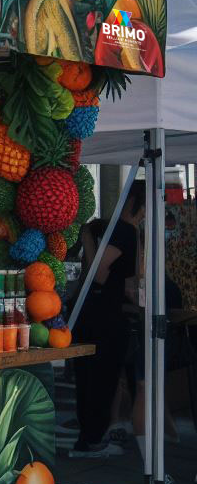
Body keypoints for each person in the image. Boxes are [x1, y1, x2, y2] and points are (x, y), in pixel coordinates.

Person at [70, 180, 144, 458]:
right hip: (105, 316)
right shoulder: (123, 231)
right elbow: (101, 272)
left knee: (88, 377)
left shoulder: (111, 229)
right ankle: (92, 439)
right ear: (136, 203)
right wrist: (90, 245)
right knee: (101, 378)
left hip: (91, 313)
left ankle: (87, 438)